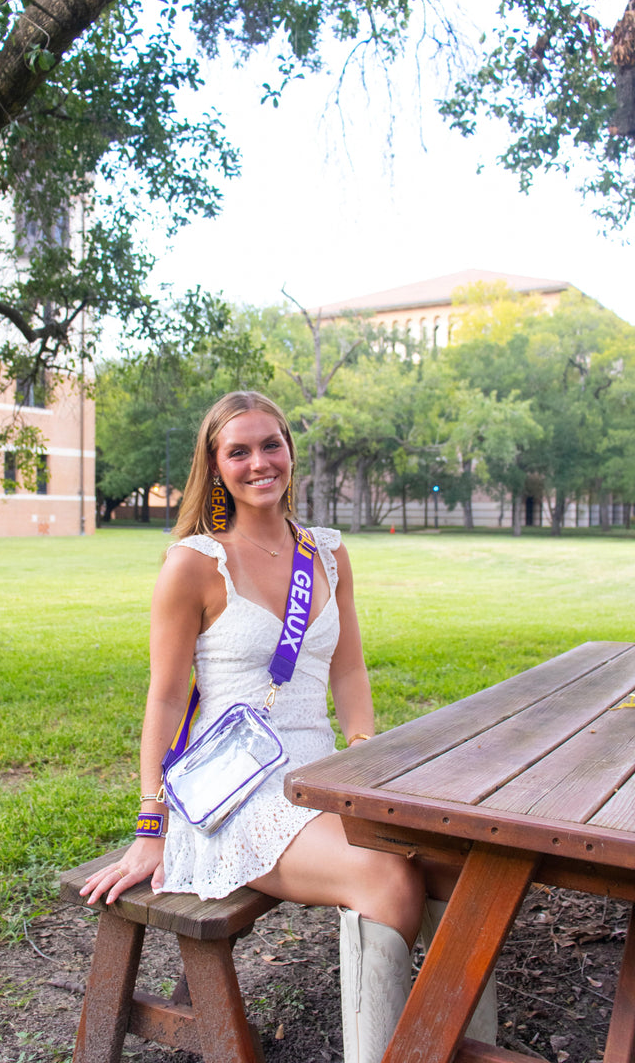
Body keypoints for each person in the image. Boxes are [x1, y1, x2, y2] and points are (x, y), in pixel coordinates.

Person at [80, 390, 425, 1062]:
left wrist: (362, 751)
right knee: (388, 878)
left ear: (290, 453)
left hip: (318, 776)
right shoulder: (193, 564)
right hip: (236, 794)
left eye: (272, 445)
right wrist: (152, 827)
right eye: (239, 450)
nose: (259, 462)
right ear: (215, 466)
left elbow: (348, 672)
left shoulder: (327, 554)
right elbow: (165, 702)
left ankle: (439, 1034)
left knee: (441, 851)